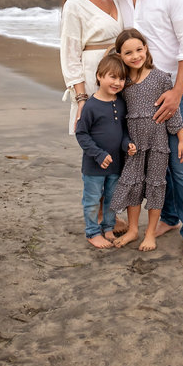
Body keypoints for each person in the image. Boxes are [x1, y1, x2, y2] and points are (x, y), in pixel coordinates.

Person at [110, 0, 183, 260]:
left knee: (180, 164)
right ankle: (168, 218)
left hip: (170, 92)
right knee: (154, 163)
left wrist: (176, 94)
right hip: (135, 96)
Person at [111, 29, 183, 252]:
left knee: (155, 185)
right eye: (128, 53)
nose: (135, 56)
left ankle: (150, 233)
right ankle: (133, 230)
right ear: (120, 55)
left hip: (157, 144)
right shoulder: (123, 83)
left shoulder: (161, 77)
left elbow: (174, 113)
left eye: (139, 49)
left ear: (146, 49)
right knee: (133, 185)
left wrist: (181, 140)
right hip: (133, 145)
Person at [60, 0, 124, 134]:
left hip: (119, 76)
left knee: (119, 142)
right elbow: (70, 55)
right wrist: (81, 98)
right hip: (92, 79)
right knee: (99, 142)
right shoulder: (75, 3)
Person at [75, 53, 136, 249]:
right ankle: (92, 232)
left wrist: (127, 144)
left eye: (121, 78)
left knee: (112, 198)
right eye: (112, 76)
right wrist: (99, 154)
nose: (117, 82)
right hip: (94, 165)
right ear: (99, 76)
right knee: (92, 200)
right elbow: (82, 134)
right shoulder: (91, 106)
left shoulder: (121, 103)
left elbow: (123, 131)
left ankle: (108, 227)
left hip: (116, 164)